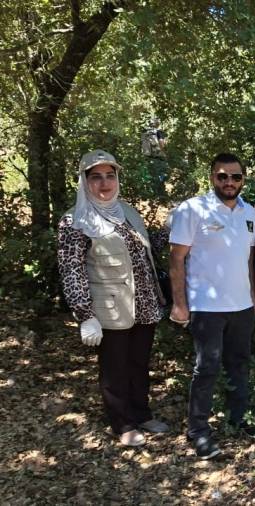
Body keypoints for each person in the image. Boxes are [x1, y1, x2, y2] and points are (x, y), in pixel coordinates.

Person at [57, 149, 169, 447]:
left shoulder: (127, 212)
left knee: (139, 363)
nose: (105, 183)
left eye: (110, 175)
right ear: (84, 182)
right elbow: (71, 269)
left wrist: (169, 228)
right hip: (108, 308)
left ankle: (142, 413)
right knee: (115, 367)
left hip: (144, 302)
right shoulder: (75, 221)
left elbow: (146, 249)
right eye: (96, 177)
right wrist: (85, 315)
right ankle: (123, 423)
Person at [169, 153, 255, 460]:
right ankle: (198, 431)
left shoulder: (249, 212)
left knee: (239, 364)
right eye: (222, 176)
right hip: (206, 306)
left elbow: (248, 258)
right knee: (207, 368)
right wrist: (180, 304)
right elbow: (176, 258)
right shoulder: (192, 209)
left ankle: (238, 418)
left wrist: (252, 295)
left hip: (241, 306)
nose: (229, 182)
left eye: (235, 177)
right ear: (212, 177)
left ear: (243, 180)